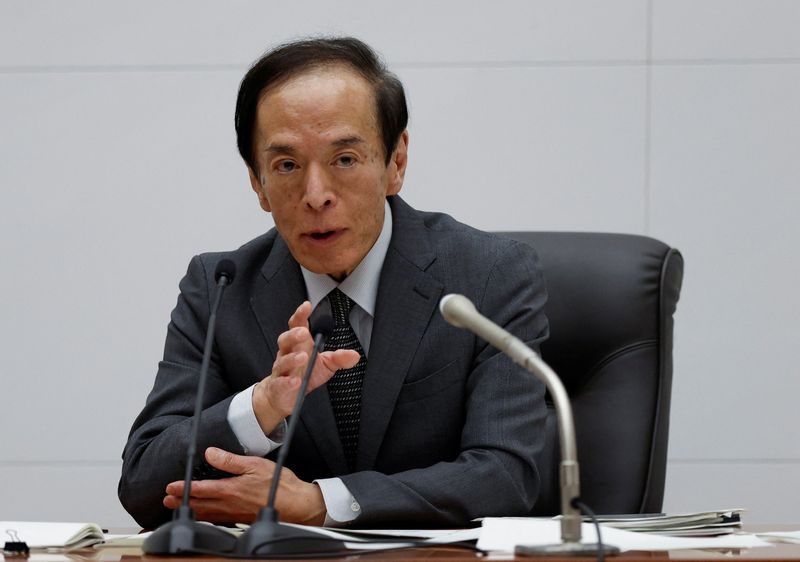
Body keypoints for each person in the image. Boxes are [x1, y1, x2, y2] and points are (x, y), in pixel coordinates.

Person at [119, 36, 549, 530]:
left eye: (344, 158)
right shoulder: (221, 288)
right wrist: (260, 407)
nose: (316, 195)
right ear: (257, 182)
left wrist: (322, 502)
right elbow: (143, 488)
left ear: (396, 162)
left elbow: (508, 475)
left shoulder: (489, 276)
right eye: (286, 166)